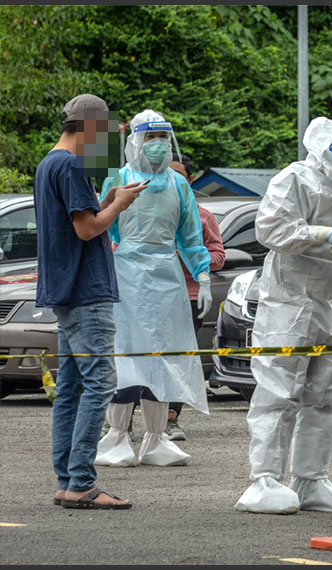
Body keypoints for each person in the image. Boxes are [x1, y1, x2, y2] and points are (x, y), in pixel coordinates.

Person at [234, 117, 332, 514]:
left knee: (325, 395)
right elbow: (270, 229)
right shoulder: (296, 179)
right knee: (278, 391)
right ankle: (264, 480)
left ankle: (310, 478)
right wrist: (321, 233)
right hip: (290, 301)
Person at [35, 94, 144, 509]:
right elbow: (87, 229)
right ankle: (81, 480)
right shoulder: (72, 166)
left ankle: (68, 480)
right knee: (99, 384)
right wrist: (119, 204)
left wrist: (107, 199)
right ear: (90, 128)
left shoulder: (50, 163)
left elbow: (77, 219)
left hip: (64, 289)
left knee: (72, 387)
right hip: (85, 290)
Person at [95, 110, 212, 468]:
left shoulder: (179, 184)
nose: (158, 145)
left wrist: (203, 275)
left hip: (167, 277)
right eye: (150, 138)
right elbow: (104, 228)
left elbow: (191, 236)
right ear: (135, 141)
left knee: (164, 358)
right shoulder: (119, 178)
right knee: (126, 354)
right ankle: (116, 436)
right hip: (127, 275)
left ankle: (156, 438)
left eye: (163, 137)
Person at [168, 153, 226, 440]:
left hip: (189, 297)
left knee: (179, 358)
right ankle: (121, 422)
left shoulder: (203, 216)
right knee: (139, 356)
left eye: (178, 176)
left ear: (190, 180)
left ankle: (170, 418)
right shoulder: (143, 209)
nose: (171, 181)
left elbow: (218, 256)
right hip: (148, 296)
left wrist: (193, 259)